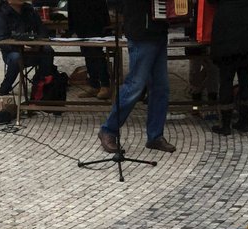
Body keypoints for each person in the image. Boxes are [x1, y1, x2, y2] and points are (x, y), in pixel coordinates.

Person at [98, 0, 176, 154]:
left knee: (161, 88)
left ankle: (155, 136)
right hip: (141, 32)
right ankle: (109, 129)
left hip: (159, 31)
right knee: (135, 86)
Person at [210, 0, 248, 134]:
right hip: (247, 20)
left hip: (226, 23)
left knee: (226, 78)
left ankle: (225, 125)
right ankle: (244, 122)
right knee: (245, 75)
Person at [0, 0, 54, 96]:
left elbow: (42, 30)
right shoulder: (3, 14)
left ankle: (41, 84)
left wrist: (38, 45)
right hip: (12, 51)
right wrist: (20, 47)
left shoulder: (30, 10)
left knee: (48, 50)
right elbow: (1, 40)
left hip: (34, 49)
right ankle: (5, 86)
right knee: (16, 57)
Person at [69, 0, 112, 99]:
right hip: (79, 19)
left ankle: (105, 85)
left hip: (95, 19)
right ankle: (94, 84)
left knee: (96, 52)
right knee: (87, 53)